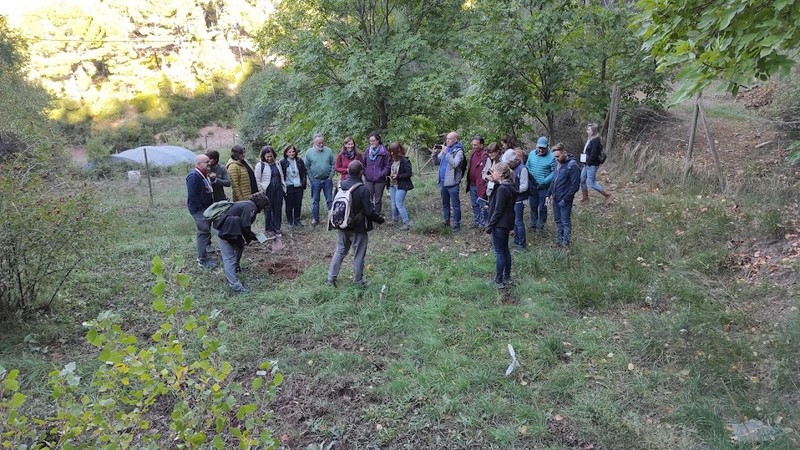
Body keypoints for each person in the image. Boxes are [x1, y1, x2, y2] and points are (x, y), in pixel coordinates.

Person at [327, 160, 385, 287]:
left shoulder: (340, 185)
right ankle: (358, 281)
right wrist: (380, 220)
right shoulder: (363, 189)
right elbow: (369, 212)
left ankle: (331, 278)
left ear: (348, 171)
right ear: (361, 173)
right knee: (358, 253)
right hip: (358, 228)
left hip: (342, 224)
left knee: (340, 250)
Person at [212, 192, 270, 294]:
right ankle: (235, 286)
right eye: (264, 207)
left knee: (240, 245)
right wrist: (253, 237)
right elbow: (245, 226)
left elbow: (244, 226)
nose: (262, 210)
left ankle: (236, 267)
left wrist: (252, 237)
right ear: (261, 204)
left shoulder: (247, 204)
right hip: (224, 230)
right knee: (229, 257)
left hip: (229, 228)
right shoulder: (251, 208)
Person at [485, 162, 517, 289]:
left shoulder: (502, 189)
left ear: (501, 174)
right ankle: (507, 277)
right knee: (505, 251)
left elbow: (498, 209)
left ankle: (498, 280)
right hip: (507, 222)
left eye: (494, 171)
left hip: (500, 224)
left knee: (499, 252)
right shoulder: (509, 186)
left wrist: (490, 225)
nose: (492, 173)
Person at [549, 143, 581, 249]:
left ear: (565, 153)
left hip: (564, 200)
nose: (556, 159)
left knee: (565, 222)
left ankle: (565, 244)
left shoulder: (572, 166)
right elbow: (554, 180)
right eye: (554, 157)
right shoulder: (557, 164)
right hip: (556, 198)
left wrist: (565, 199)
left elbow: (575, 186)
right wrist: (548, 194)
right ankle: (559, 241)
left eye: (558, 156)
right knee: (558, 221)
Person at [186, 154, 216, 269]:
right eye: (206, 162)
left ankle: (205, 254)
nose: (209, 163)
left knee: (206, 231)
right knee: (203, 232)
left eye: (209, 161)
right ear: (198, 164)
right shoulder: (194, 176)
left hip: (206, 209)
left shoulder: (204, 174)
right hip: (200, 210)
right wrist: (201, 210)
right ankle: (202, 260)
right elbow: (192, 195)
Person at [431, 131, 465, 231]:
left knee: (455, 205)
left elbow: (455, 164)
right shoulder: (446, 148)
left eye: (450, 139)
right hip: (442, 181)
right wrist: (433, 155)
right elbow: (437, 162)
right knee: (445, 203)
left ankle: (456, 224)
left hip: (452, 182)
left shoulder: (459, 151)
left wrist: (447, 153)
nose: (447, 141)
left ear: (455, 140)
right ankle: (446, 221)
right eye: (447, 139)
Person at [304, 134, 335, 225]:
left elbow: (333, 163)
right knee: (315, 201)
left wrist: (330, 176)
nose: (321, 145)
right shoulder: (309, 152)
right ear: (314, 142)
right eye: (319, 143)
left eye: (322, 142)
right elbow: (307, 166)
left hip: (327, 180)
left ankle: (332, 218)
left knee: (329, 199)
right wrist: (311, 178)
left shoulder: (328, 150)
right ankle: (315, 219)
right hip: (315, 180)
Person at [526, 136, 555, 232]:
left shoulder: (552, 157)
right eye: (539, 147)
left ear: (547, 146)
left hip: (544, 187)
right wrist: (529, 175)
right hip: (533, 186)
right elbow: (527, 165)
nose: (541, 150)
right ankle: (533, 224)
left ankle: (541, 226)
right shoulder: (531, 154)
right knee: (533, 206)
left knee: (542, 207)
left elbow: (554, 172)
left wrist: (545, 180)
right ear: (536, 146)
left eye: (543, 148)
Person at [255, 145, 286, 237]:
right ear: (263, 156)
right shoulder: (260, 165)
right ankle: (268, 228)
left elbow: (281, 176)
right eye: (267, 156)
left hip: (278, 189)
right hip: (267, 190)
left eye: (271, 156)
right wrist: (261, 192)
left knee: (278, 208)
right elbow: (258, 180)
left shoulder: (277, 163)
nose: (270, 158)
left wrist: (283, 187)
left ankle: (277, 227)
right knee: (268, 209)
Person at [501, 149, 529, 252]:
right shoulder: (510, 169)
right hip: (513, 198)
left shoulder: (522, 169)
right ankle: (516, 241)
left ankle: (521, 244)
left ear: (513, 160)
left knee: (519, 221)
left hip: (520, 199)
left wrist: (513, 190)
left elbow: (525, 186)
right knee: (514, 221)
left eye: (509, 163)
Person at [580, 122, 613, 205]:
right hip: (587, 163)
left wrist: (589, 163)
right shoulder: (590, 139)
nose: (587, 131)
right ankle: (585, 197)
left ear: (593, 131)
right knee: (582, 179)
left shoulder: (595, 140)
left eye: (589, 130)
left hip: (592, 164)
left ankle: (608, 195)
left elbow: (594, 154)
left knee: (592, 183)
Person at [363, 132, 391, 216]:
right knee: (368, 198)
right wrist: (366, 173)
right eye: (370, 141)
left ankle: (377, 215)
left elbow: (388, 166)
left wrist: (382, 174)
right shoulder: (368, 151)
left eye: (373, 141)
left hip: (380, 180)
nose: (372, 143)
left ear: (378, 140)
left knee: (378, 200)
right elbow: (363, 164)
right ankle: (369, 215)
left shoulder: (384, 152)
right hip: (369, 179)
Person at [280, 144, 307, 227]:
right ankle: (290, 221)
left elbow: (304, 172)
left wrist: (303, 183)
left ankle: (297, 220)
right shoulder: (282, 162)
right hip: (288, 186)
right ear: (286, 153)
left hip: (298, 186)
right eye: (289, 152)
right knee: (289, 205)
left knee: (298, 204)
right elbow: (280, 174)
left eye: (293, 151)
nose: (292, 153)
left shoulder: (299, 161)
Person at [387, 142, 413, 230]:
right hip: (392, 185)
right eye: (390, 151)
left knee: (399, 204)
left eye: (393, 151)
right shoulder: (391, 160)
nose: (391, 153)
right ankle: (394, 220)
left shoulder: (405, 161)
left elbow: (409, 173)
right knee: (393, 204)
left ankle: (407, 222)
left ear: (398, 151)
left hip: (402, 185)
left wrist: (398, 176)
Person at [465, 135, 488, 229]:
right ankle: (477, 221)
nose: (473, 146)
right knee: (474, 204)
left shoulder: (485, 156)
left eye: (476, 145)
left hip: (481, 184)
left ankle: (483, 223)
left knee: (482, 204)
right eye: (473, 145)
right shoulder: (473, 153)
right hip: (472, 183)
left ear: (481, 145)